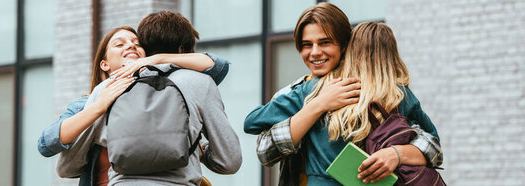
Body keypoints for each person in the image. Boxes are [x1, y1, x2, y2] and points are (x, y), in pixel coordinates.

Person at [244, 3, 443, 186]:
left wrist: (396, 154)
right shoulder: (302, 90)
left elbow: (434, 148)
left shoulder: (390, 91)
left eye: (325, 42)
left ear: (345, 45)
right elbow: (264, 150)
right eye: (307, 44)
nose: (315, 52)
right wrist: (318, 105)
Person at [56, 11, 242, 186]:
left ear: (144, 46)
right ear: (183, 49)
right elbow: (229, 161)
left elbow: (66, 167)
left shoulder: (108, 87)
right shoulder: (200, 82)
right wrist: (198, 148)